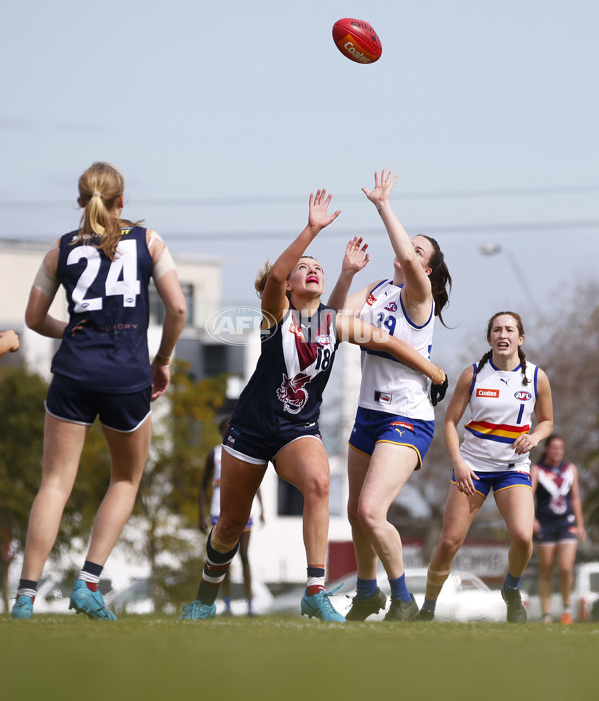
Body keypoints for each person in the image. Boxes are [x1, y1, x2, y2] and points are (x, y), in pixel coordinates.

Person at [179, 187, 447, 622]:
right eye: (304, 268)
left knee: (321, 484)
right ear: (287, 285)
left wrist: (434, 372)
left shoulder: (333, 322)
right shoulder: (275, 313)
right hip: (250, 429)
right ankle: (204, 600)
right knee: (229, 525)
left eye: (317, 267)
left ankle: (314, 590)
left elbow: (387, 340)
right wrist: (311, 230)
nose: (312, 270)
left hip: (295, 431)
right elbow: (273, 279)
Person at [11, 161, 187, 621]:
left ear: (79, 200)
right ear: (122, 201)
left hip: (73, 373)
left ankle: (25, 598)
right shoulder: (149, 241)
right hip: (127, 379)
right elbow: (179, 308)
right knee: (126, 479)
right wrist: (162, 361)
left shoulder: (60, 250)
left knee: (54, 483)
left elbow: (32, 319)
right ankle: (88, 583)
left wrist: (72, 330)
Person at [326, 169, 451, 621]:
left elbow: (410, 261)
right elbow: (333, 318)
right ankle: (366, 591)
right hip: (367, 414)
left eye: (418, 250)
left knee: (370, 510)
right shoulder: (379, 289)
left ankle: (402, 598)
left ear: (427, 268)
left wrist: (384, 206)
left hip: (407, 417)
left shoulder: (419, 297)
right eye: (408, 246)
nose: (407, 252)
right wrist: (344, 274)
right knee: (355, 513)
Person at [415, 311, 554, 623]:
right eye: (496, 330)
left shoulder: (535, 377)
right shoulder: (473, 374)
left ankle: (511, 588)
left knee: (522, 536)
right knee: (449, 542)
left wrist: (534, 437)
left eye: (509, 330)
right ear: (489, 337)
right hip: (473, 469)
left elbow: (547, 421)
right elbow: (450, 423)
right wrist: (459, 463)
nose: (502, 335)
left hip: (513, 468)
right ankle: (427, 608)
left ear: (521, 338)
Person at [199, 416, 265, 616]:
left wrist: (263, 509)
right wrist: (199, 515)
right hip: (218, 512)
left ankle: (250, 605)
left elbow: (256, 482)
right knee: (221, 558)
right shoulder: (215, 454)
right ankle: (226, 604)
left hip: (245, 510)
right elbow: (202, 486)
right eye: (226, 429)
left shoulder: (245, 451)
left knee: (245, 556)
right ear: (221, 432)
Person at [531, 434, 586, 624]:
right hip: (545, 525)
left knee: (565, 567)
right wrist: (531, 519)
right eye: (554, 447)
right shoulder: (537, 470)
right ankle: (546, 614)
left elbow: (576, 498)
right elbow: (529, 495)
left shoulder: (570, 469)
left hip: (566, 523)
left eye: (561, 448)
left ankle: (566, 609)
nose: (558, 451)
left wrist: (580, 525)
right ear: (546, 449)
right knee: (546, 569)